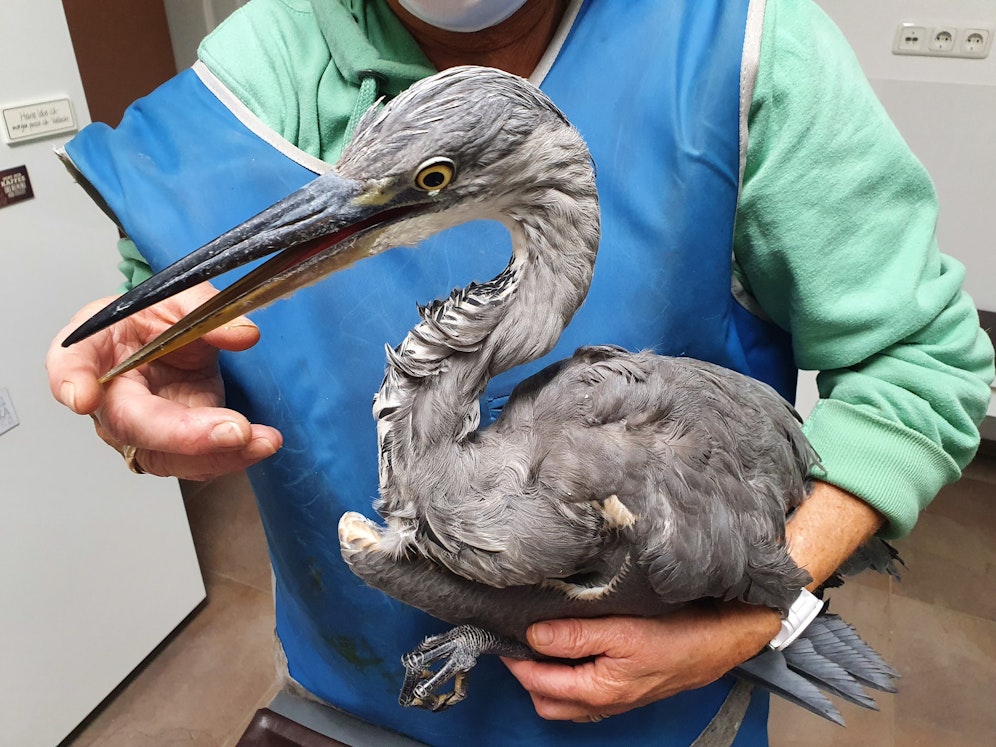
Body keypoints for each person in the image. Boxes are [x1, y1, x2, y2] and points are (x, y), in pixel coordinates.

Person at [47, 0, 994, 744]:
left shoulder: (742, 39)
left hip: (662, 722)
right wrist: (161, 367)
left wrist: (753, 621)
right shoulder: (253, 61)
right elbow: (176, 302)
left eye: (425, 186)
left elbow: (928, 363)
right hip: (337, 696)